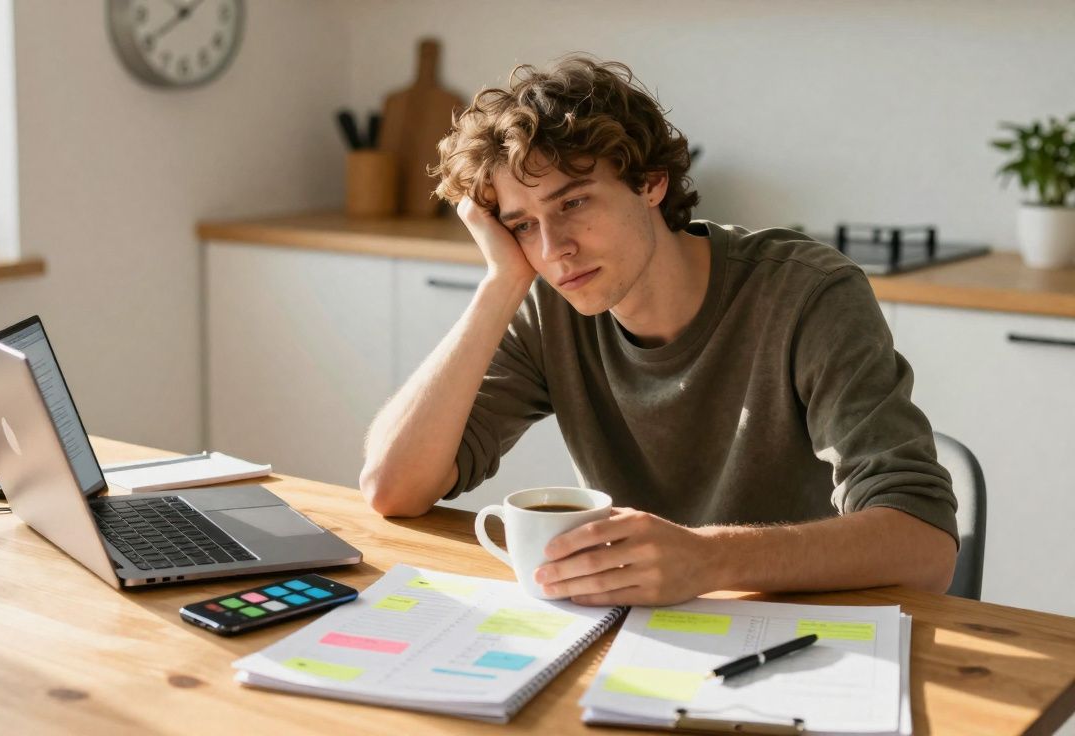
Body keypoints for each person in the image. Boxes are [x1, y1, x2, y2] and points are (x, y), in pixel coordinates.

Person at [358, 56, 959, 606]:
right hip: (637, 636)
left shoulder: (805, 293)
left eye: (573, 204)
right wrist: (499, 286)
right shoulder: (550, 306)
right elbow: (393, 489)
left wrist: (708, 558)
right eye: (521, 225)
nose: (555, 249)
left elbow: (925, 547)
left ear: (649, 182)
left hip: (799, 638)